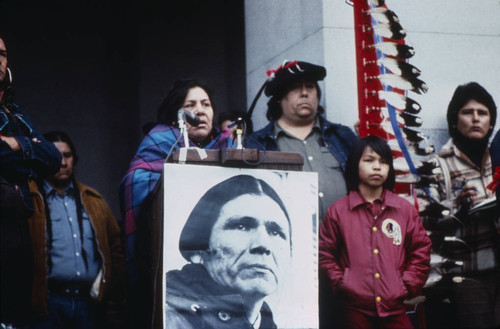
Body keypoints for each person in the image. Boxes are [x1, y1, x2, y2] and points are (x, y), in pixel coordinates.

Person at [119, 78, 232, 328]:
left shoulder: (229, 146)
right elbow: (135, 181)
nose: (200, 110)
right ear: (175, 115)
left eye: (206, 104)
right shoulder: (160, 142)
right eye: (190, 104)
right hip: (167, 262)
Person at [319, 135, 431, 329]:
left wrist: (405, 285)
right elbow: (325, 255)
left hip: (395, 308)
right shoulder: (338, 211)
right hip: (354, 310)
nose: (377, 167)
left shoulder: (403, 210)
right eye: (369, 160)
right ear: (355, 164)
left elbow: (420, 250)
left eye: (384, 162)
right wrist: (342, 283)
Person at [416, 82, 499, 328]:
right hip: (467, 275)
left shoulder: (498, 157)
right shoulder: (435, 165)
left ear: (491, 123)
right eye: (468, 112)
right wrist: (457, 207)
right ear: (454, 121)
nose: (476, 119)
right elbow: (423, 222)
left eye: (482, 113)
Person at [27, 131, 126, 329]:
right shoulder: (30, 198)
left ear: (75, 159)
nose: (62, 163)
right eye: (55, 156)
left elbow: (116, 248)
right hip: (46, 305)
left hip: (89, 305)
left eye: (67, 156)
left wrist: (110, 294)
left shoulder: (93, 199)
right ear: (42, 159)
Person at [166, 174, 291, 329]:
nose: (263, 245)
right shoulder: (168, 316)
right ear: (198, 250)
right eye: (242, 226)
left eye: (275, 232)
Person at [244, 60, 357, 221]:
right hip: (291, 242)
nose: (304, 93)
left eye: (310, 86)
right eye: (295, 87)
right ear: (279, 98)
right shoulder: (256, 144)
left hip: (344, 240)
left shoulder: (342, 136)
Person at [0, 35, 62, 328]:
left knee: (15, 317)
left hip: (16, 228)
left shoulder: (15, 112)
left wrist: (14, 143)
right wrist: (25, 150)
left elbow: (51, 158)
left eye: (1, 54)